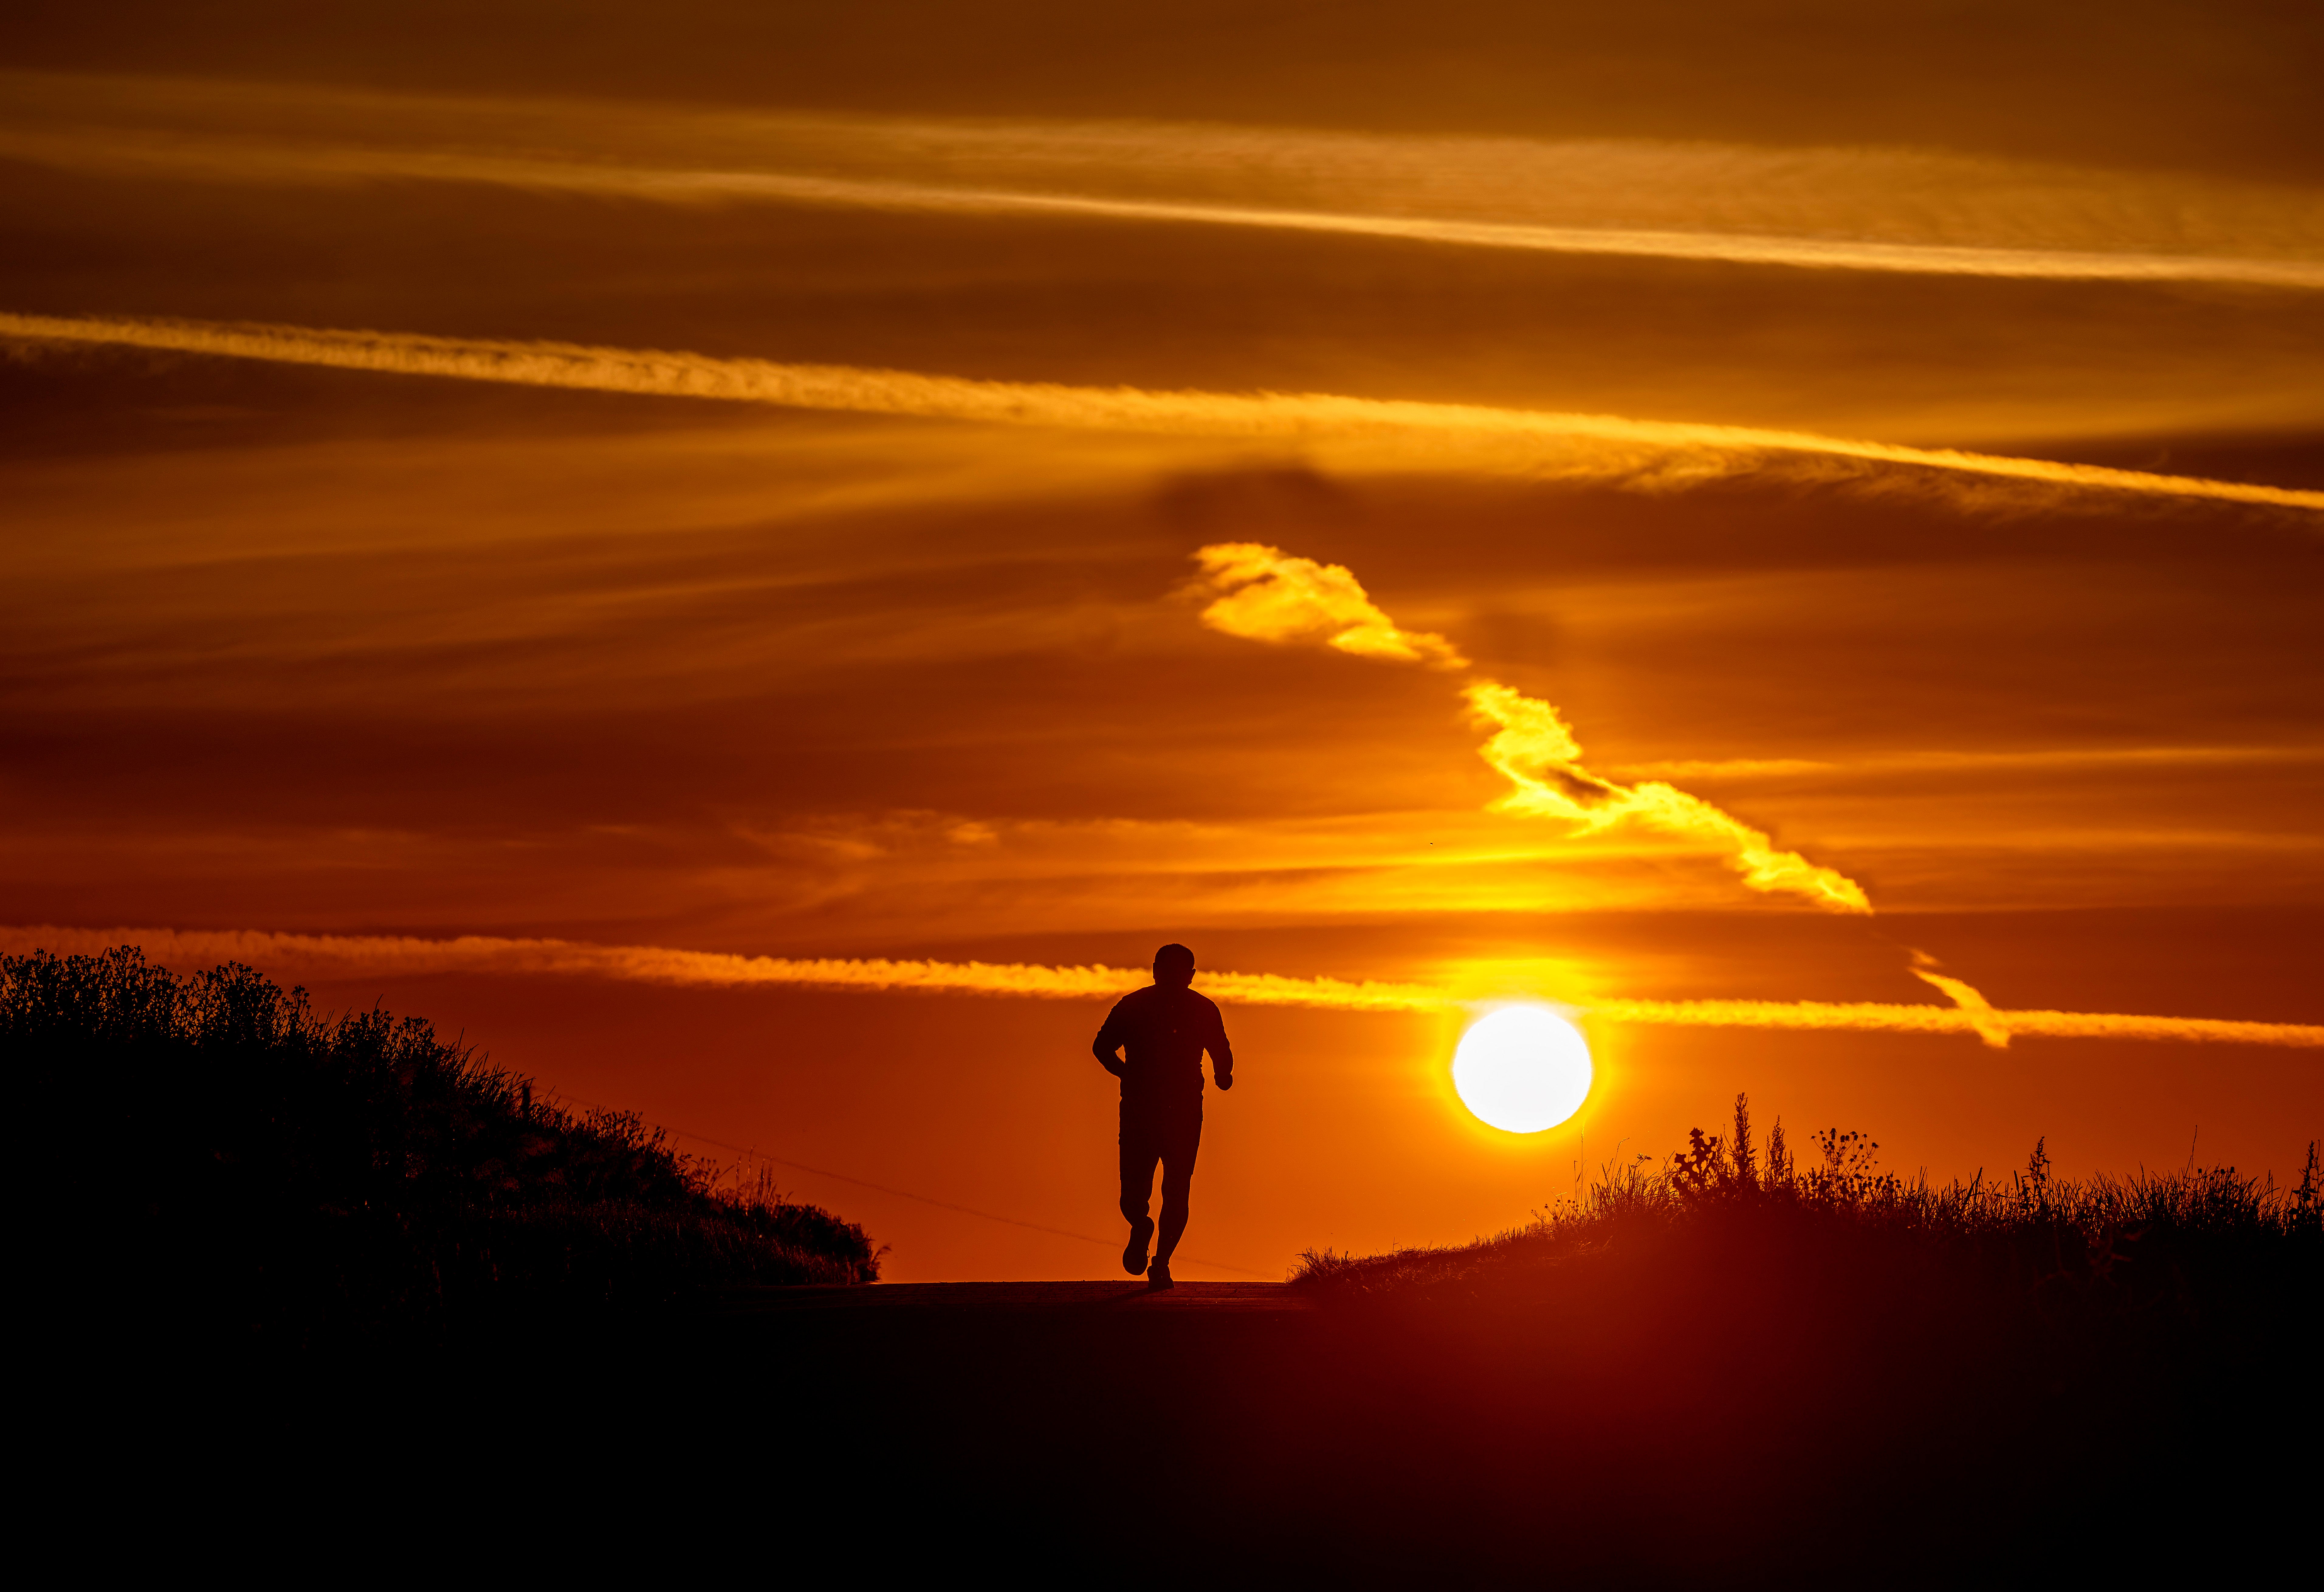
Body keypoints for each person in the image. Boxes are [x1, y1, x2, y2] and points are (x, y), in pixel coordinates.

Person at [1092, 943, 1234, 1290]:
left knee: (1162, 1189)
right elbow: (1101, 1048)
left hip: (1170, 1111)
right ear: (1156, 971)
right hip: (1157, 1110)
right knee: (1150, 1192)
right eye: (1167, 970)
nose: (1171, 978)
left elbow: (1221, 1050)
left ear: (1189, 975)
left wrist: (1222, 1073)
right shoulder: (1138, 1006)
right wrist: (1222, 1076)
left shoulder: (1195, 1009)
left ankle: (1158, 1257)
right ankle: (1147, 1236)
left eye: (1177, 972)